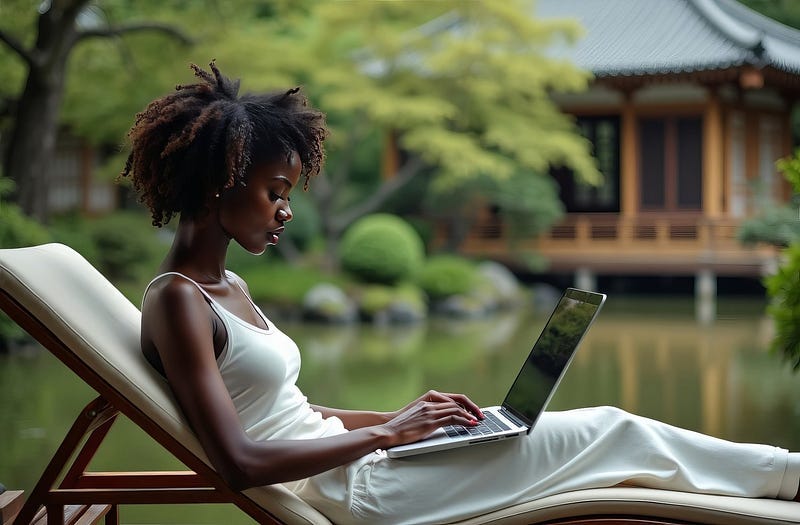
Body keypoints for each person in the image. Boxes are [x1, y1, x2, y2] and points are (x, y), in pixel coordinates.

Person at [121, 62, 800, 524]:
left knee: (603, 447)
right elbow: (239, 460)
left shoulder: (227, 284)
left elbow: (289, 412)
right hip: (362, 490)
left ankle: (779, 475)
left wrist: (405, 417)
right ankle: (786, 477)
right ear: (222, 181)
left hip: (370, 462)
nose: (285, 211)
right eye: (275, 192)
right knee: (613, 432)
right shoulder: (181, 300)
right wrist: (389, 434)